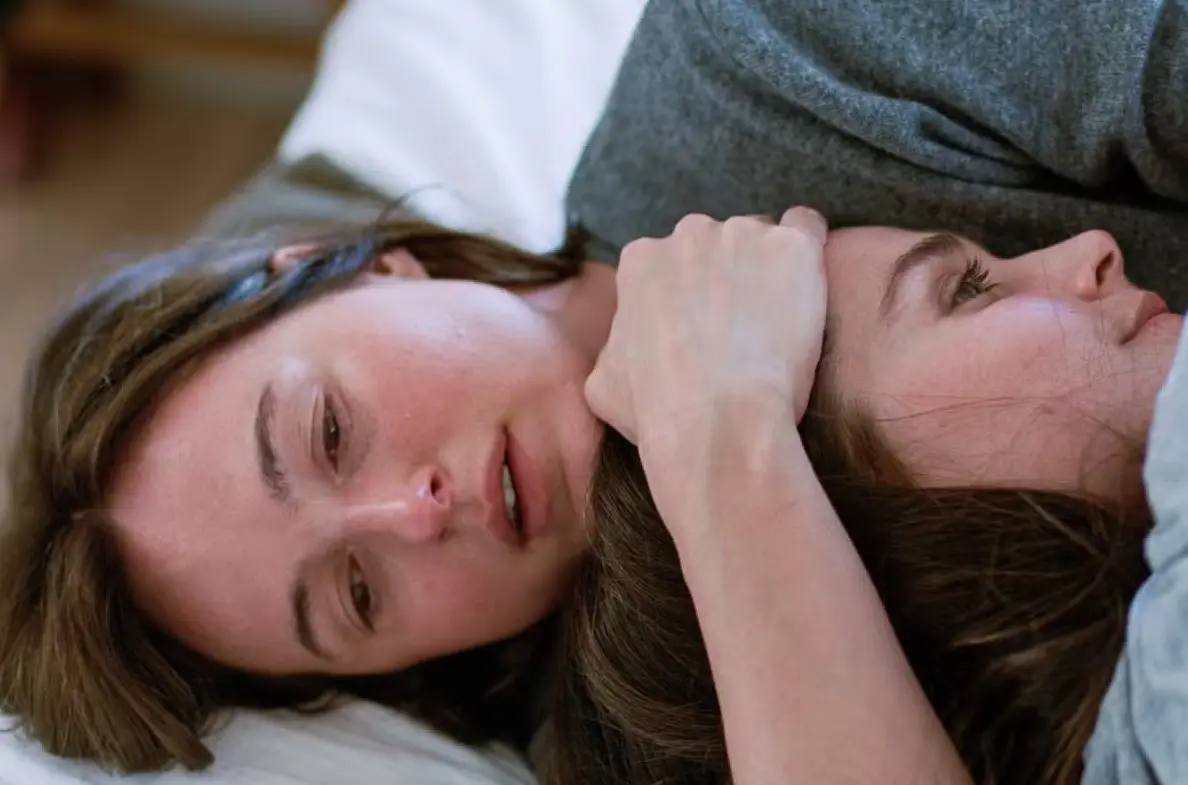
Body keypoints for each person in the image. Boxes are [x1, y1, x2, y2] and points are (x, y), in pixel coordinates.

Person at [0, 190, 1181, 781]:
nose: (415, 511)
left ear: (354, 270)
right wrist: (723, 438)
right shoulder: (642, 736)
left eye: (330, 430)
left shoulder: (770, 70)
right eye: (357, 591)